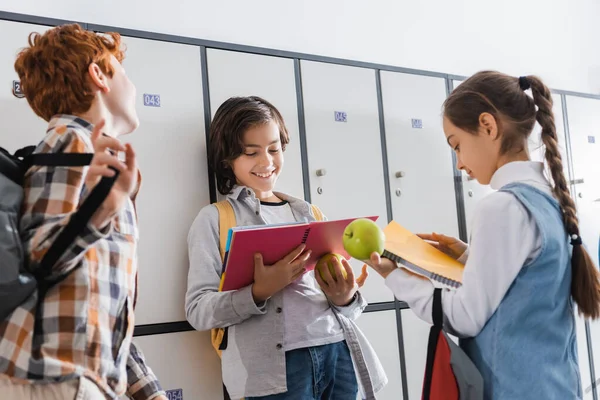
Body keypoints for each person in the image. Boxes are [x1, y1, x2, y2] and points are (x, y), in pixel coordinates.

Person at [365, 71, 600, 399]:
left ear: (488, 126)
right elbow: (525, 288)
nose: (459, 163)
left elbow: (464, 318)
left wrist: (394, 276)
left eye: (457, 145)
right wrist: (467, 257)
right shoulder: (548, 197)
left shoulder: (501, 207)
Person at [0, 23, 167, 400]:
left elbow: (97, 307)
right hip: (48, 378)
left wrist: (148, 391)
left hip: (71, 378)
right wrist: (104, 208)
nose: (134, 87)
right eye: (123, 73)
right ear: (98, 75)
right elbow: (42, 254)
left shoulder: (88, 153)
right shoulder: (70, 140)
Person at [186, 96, 387, 399]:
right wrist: (259, 292)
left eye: (274, 148)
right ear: (227, 160)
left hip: (338, 351)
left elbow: (344, 306)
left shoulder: (310, 213)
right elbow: (198, 311)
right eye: (251, 152)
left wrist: (345, 297)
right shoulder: (215, 219)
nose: (266, 162)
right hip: (276, 371)